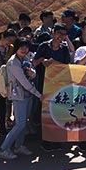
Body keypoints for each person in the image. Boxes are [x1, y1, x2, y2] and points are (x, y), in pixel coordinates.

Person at [0, 38, 42, 160]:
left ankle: (19, 146)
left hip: (27, 95)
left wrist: (32, 73)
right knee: (19, 124)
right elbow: (24, 82)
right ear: (16, 48)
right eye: (21, 47)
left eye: (26, 47)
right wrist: (39, 95)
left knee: (23, 123)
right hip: (18, 96)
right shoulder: (13, 63)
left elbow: (33, 73)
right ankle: (4, 149)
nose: (24, 49)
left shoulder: (25, 58)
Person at [33, 23, 72, 151]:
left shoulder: (64, 48)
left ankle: (56, 139)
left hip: (58, 85)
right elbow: (34, 62)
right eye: (59, 33)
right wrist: (42, 60)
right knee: (44, 112)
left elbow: (67, 67)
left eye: (64, 34)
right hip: (43, 83)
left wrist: (55, 63)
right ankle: (45, 140)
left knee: (57, 112)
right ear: (53, 32)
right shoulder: (43, 46)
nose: (61, 36)